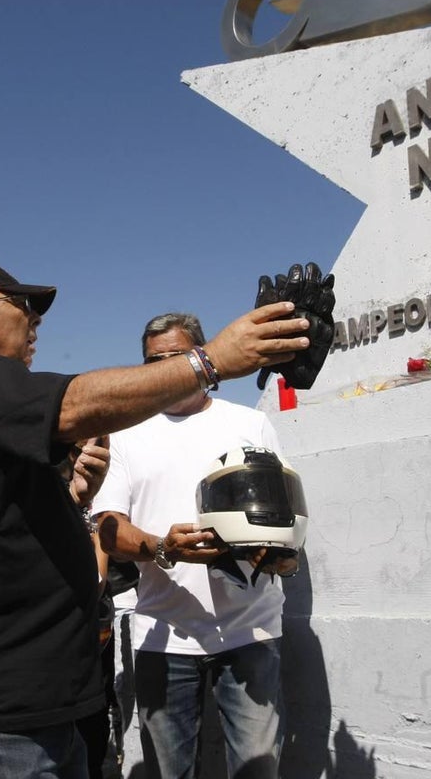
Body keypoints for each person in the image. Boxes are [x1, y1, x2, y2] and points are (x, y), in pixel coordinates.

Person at [0, 258, 309, 779]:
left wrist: (72, 497)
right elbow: (74, 405)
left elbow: (4, 537)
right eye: (24, 308)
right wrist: (211, 360)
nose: (36, 323)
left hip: (28, 709)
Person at [92, 313, 299, 779]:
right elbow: (108, 526)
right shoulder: (125, 432)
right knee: (169, 773)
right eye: (152, 361)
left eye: (175, 357)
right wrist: (162, 547)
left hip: (252, 629)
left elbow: (281, 513)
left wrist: (278, 554)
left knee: (257, 770)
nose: (163, 368)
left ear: (201, 357)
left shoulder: (251, 422)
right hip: (162, 632)